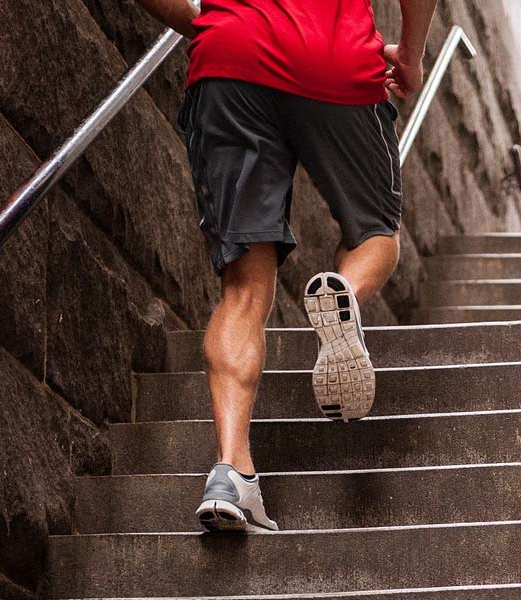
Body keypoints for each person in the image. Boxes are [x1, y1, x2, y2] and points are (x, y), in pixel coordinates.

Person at [137, 0, 437, 533]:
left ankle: (232, 471)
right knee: (377, 234)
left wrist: (210, 24)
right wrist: (411, 56)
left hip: (229, 62)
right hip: (335, 60)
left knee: (243, 290)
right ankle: (342, 290)